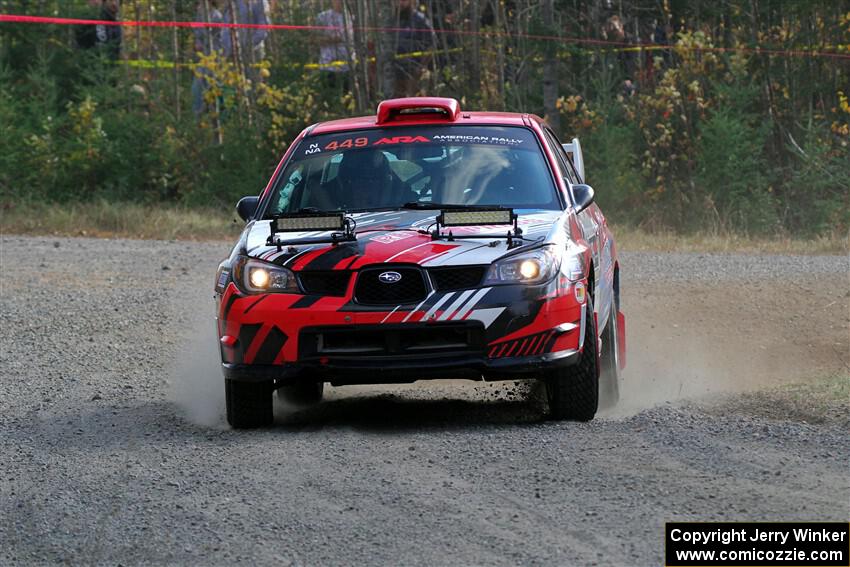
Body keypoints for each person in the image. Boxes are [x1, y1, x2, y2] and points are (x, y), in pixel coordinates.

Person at [393, 0, 435, 98]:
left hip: (415, 71)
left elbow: (431, 46)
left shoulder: (420, 20)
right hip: (395, 72)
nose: (400, 3)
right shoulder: (392, 20)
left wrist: (420, 67)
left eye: (404, 1)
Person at [221, 0, 271, 79]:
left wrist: (248, 45)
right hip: (232, 53)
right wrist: (229, 46)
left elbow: (263, 28)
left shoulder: (260, 2)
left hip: (252, 54)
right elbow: (225, 28)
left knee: (253, 85)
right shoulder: (231, 3)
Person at [192, 0, 224, 116]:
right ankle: (199, 115)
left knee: (214, 86)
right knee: (198, 87)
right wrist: (198, 43)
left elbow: (220, 40)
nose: (199, 5)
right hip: (203, 58)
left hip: (215, 58)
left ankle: (219, 115)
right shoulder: (199, 15)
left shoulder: (217, 17)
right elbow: (197, 32)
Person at [315, 0, 355, 93]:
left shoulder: (352, 18)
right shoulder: (322, 17)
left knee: (347, 96)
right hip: (328, 66)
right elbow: (314, 39)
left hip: (348, 67)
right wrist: (331, 40)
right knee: (329, 96)